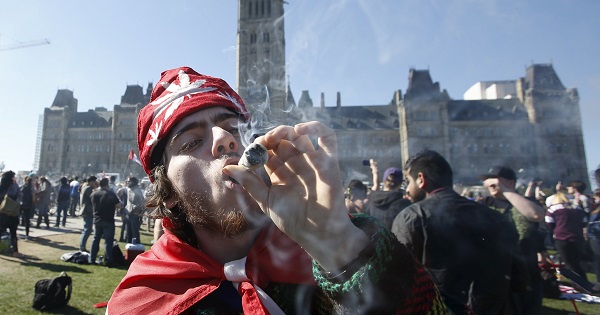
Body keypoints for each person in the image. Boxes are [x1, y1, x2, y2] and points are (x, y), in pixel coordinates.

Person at [108, 67, 448, 314]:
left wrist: (341, 249)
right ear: (166, 190)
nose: (223, 140)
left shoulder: (332, 255)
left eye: (233, 129)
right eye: (193, 141)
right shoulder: (142, 300)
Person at [391, 149, 518, 314]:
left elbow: (398, 277)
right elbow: (517, 276)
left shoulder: (412, 217)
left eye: (408, 181)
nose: (407, 189)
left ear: (421, 179)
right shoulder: (495, 217)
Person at [479, 165, 546, 315]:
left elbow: (536, 215)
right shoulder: (485, 204)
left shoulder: (527, 201)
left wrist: (506, 191)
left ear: (510, 182)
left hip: (528, 274)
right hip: (499, 275)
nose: (490, 183)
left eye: (495, 179)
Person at [545, 192, 588, 281]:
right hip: (578, 238)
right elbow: (584, 222)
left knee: (568, 263)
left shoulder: (553, 209)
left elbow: (549, 222)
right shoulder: (578, 208)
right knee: (576, 262)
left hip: (561, 238)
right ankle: (583, 282)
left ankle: (579, 283)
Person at [365, 164, 411, 229]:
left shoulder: (371, 200)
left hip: (373, 238)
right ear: (400, 183)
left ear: (383, 181)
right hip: (394, 238)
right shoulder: (404, 204)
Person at [89, 177, 121, 265]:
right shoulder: (110, 194)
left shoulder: (94, 194)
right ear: (107, 184)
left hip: (97, 219)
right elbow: (118, 205)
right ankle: (108, 259)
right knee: (108, 241)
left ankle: (91, 258)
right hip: (108, 219)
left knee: (96, 239)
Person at [0, 171, 23, 257]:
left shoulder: (1, 186)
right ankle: (15, 252)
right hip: (12, 212)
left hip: (2, 212)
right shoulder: (14, 186)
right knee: (13, 233)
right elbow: (20, 195)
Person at [79, 176, 98, 252]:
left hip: (87, 210)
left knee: (87, 229)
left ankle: (82, 246)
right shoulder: (88, 189)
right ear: (91, 182)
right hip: (87, 211)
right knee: (87, 230)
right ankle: (82, 247)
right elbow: (94, 197)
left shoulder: (85, 187)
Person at [586, 189, 600, 291]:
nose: (593, 197)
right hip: (594, 236)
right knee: (596, 258)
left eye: (595, 195)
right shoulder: (597, 207)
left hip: (597, 236)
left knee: (598, 259)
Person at [124, 176, 144, 243]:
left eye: (129, 181)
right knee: (128, 233)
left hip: (135, 215)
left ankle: (136, 249)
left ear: (133, 182)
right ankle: (129, 249)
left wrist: (136, 210)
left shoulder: (137, 190)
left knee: (135, 233)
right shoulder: (129, 189)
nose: (127, 182)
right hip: (128, 213)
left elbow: (142, 203)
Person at [19, 176, 34, 240]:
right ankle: (27, 234)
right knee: (27, 220)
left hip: (21, 204)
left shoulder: (23, 187)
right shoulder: (31, 188)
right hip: (28, 205)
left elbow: (20, 194)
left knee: (17, 218)